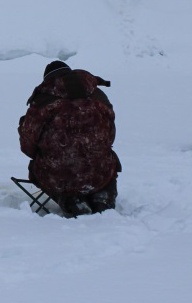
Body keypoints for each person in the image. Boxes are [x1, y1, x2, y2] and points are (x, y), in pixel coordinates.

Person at [18, 61, 120, 216]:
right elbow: (110, 135)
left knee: (44, 170)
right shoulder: (98, 95)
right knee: (107, 161)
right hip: (100, 173)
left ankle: (71, 200)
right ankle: (102, 197)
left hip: (59, 176)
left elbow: (28, 145)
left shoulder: (42, 102)